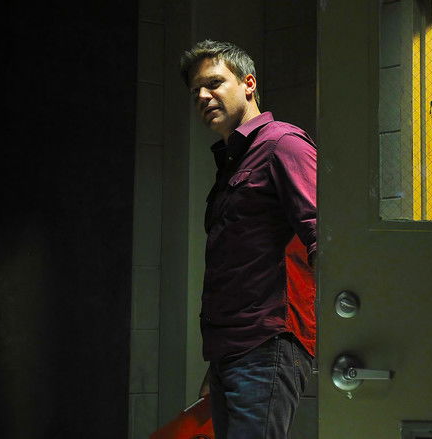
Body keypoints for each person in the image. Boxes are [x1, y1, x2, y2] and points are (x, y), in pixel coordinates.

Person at [180, 40, 317, 438]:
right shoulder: (235, 160)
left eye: (214, 83)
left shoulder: (282, 144)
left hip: (266, 343)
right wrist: (218, 364)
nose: (203, 96)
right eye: (195, 91)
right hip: (231, 353)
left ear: (248, 83)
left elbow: (323, 237)